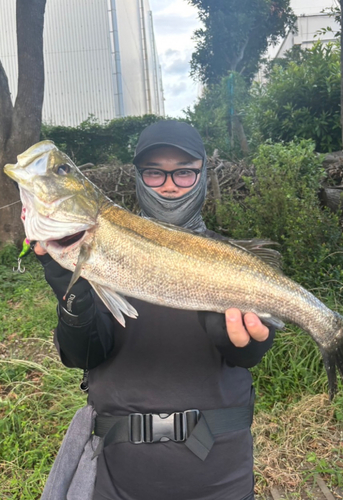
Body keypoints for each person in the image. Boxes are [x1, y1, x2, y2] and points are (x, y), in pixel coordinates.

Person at [35, 120, 275, 500]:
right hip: (120, 472)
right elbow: (82, 354)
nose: (168, 184)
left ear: (202, 173)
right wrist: (72, 295)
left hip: (220, 474)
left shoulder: (234, 260)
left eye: (183, 172)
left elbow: (252, 354)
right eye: (154, 173)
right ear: (137, 177)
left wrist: (247, 345)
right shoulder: (100, 248)